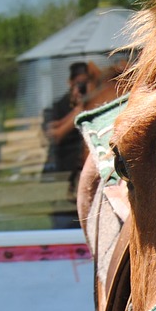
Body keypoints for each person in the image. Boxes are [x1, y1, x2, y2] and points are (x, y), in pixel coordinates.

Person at [42, 61, 97, 229]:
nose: (81, 88)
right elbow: (52, 135)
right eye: (78, 84)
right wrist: (77, 112)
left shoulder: (94, 104)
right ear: (70, 83)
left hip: (87, 181)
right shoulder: (59, 107)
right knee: (64, 226)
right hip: (62, 179)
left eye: (84, 83)